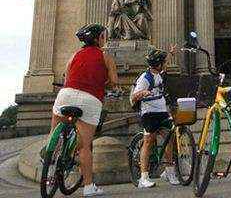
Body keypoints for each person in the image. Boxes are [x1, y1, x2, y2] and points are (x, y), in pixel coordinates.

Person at [50, 24, 119, 197]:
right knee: (85, 147)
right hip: (91, 99)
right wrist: (107, 85)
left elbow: (67, 77)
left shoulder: (74, 55)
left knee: (56, 117)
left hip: (66, 95)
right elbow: (114, 81)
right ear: (98, 39)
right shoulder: (106, 57)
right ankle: (88, 187)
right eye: (104, 36)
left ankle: (50, 147)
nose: (105, 39)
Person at [131, 46, 179, 188]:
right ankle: (143, 177)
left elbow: (164, 62)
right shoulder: (145, 78)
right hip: (149, 113)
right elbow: (134, 96)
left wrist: (170, 54)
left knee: (169, 138)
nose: (166, 64)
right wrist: (143, 93)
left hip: (162, 111)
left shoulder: (159, 73)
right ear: (158, 65)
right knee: (148, 141)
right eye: (164, 62)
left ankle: (169, 171)